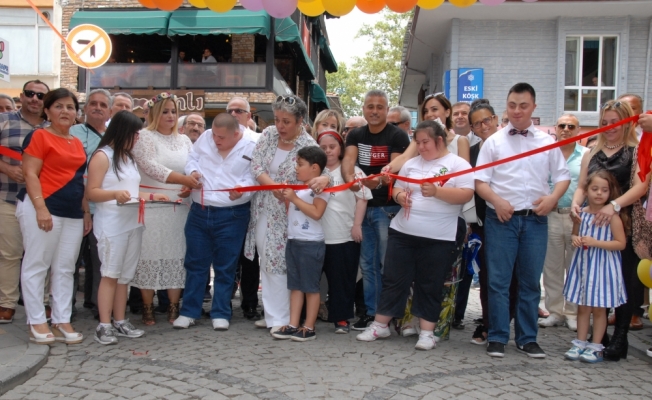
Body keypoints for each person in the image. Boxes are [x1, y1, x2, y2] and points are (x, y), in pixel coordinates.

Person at [355, 119, 474, 350]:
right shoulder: (411, 164)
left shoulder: (458, 164)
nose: (420, 147)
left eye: (425, 142)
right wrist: (399, 196)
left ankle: (427, 332)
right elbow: (398, 186)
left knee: (430, 283)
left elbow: (466, 195)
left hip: (440, 236)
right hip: (403, 232)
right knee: (393, 278)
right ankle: (381, 325)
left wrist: (438, 192)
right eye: (417, 142)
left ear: (439, 140)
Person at [475, 83, 570, 359]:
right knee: (498, 281)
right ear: (506, 106)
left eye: (523, 105)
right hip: (501, 220)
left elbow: (563, 177)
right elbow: (480, 181)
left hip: (535, 221)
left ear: (534, 108)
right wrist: (497, 201)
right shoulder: (493, 142)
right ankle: (497, 336)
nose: (517, 111)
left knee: (530, 283)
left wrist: (552, 198)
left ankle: (527, 339)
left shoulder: (547, 141)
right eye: (512, 105)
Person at [243, 95, 330, 333]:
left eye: (287, 121)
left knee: (280, 263)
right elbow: (257, 166)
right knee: (266, 259)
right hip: (264, 206)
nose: (280, 126)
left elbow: (323, 172)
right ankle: (272, 313)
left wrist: (324, 179)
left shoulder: (308, 143)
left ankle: (282, 318)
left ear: (300, 120)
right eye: (278, 119)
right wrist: (273, 187)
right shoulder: (269, 134)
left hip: (289, 212)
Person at [17, 88, 92, 344]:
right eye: (59, 106)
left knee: (65, 269)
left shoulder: (76, 142)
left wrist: (84, 212)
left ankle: (61, 319)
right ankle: (36, 321)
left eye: (70, 107)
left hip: (71, 212)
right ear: (47, 110)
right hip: (44, 207)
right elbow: (29, 174)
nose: (65, 111)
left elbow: (79, 180)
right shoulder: (38, 136)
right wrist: (40, 209)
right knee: (37, 265)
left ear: (75, 113)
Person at [86, 111, 168, 345]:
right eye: (134, 133)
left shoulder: (128, 158)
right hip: (112, 225)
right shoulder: (102, 156)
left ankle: (120, 321)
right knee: (110, 275)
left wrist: (153, 195)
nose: (137, 138)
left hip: (133, 223)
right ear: (122, 132)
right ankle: (104, 325)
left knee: (124, 277)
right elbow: (92, 192)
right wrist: (114, 195)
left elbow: (131, 191)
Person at [571, 99, 641, 361]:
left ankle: (620, 335)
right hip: (592, 225)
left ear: (626, 122)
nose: (610, 127)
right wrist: (577, 204)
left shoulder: (635, 151)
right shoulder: (591, 151)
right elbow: (581, 185)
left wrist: (614, 205)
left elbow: (640, 186)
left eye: (615, 122)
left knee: (621, 280)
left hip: (622, 221)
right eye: (605, 122)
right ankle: (599, 337)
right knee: (596, 279)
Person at [172, 113, 256, 331]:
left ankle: (220, 312)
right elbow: (192, 158)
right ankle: (189, 311)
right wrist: (193, 172)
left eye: (221, 137)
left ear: (236, 134)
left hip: (232, 214)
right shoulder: (206, 137)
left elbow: (255, 175)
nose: (216, 140)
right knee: (194, 263)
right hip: (200, 210)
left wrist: (243, 190)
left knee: (225, 266)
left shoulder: (252, 144)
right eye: (215, 134)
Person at [342, 90, 410, 331]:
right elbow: (348, 161)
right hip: (363, 208)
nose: (374, 111)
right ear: (363, 108)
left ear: (386, 109)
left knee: (387, 265)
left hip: (388, 208)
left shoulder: (397, 135)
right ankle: (372, 314)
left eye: (380, 107)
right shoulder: (355, 135)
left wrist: (377, 181)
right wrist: (351, 180)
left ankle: (391, 314)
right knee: (368, 265)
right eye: (370, 106)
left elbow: (395, 169)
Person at [131, 92, 201, 325]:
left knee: (177, 255)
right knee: (150, 255)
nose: (170, 116)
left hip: (180, 206)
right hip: (152, 205)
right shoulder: (143, 137)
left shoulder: (183, 140)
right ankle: (147, 307)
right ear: (154, 113)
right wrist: (183, 180)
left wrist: (191, 181)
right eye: (166, 111)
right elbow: (151, 167)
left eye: (174, 111)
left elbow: (193, 164)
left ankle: (173, 306)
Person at [564, 171, 627, 363]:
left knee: (600, 308)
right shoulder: (580, 214)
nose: (599, 193)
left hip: (603, 267)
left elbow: (620, 243)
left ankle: (596, 345)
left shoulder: (612, 217)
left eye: (604, 190)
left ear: (610, 193)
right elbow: (575, 234)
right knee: (583, 307)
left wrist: (596, 242)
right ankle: (580, 342)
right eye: (595, 189)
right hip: (584, 265)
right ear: (586, 191)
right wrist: (575, 240)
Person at [0, 80, 50, 324]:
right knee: (9, 254)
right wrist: (7, 169)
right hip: (8, 196)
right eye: (30, 94)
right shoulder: (4, 120)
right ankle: (7, 304)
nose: (35, 99)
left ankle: (43, 302)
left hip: (43, 201)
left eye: (40, 96)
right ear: (21, 96)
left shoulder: (54, 127)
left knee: (42, 254)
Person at [271, 147, 330, 342]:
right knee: (295, 285)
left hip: (311, 244)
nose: (296, 168)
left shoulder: (321, 189)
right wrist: (285, 197)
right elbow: (293, 210)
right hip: (294, 241)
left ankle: (309, 327)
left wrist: (294, 198)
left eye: (300, 164)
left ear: (314, 168)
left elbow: (316, 213)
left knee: (311, 287)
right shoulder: (298, 187)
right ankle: (293, 324)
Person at [317, 130, 371, 333]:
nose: (328, 151)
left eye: (332, 147)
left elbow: (363, 198)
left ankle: (341, 318)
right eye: (323, 148)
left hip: (343, 235)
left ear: (341, 149)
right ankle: (308, 316)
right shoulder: (314, 170)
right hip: (316, 236)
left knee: (343, 280)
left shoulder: (352, 170)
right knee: (314, 282)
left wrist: (357, 225)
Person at [539, 115, 589, 332]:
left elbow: (587, 185)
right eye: (562, 126)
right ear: (556, 129)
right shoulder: (547, 154)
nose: (566, 129)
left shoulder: (586, 155)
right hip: (550, 216)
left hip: (576, 218)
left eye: (571, 126)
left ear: (578, 130)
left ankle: (573, 312)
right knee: (552, 268)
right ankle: (555, 311)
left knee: (576, 267)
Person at [70, 89, 112, 320]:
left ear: (109, 111)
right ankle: (65, 307)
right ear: (85, 109)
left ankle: (99, 305)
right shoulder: (72, 133)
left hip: (102, 209)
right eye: (93, 103)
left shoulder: (113, 137)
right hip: (73, 207)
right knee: (70, 261)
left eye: (103, 105)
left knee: (100, 261)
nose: (97, 107)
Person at [226, 96, 261, 320]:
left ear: (249, 116)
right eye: (229, 110)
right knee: (227, 257)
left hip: (253, 205)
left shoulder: (259, 140)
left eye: (239, 111)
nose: (233, 114)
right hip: (224, 207)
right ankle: (224, 301)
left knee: (250, 258)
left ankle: (249, 302)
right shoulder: (212, 139)